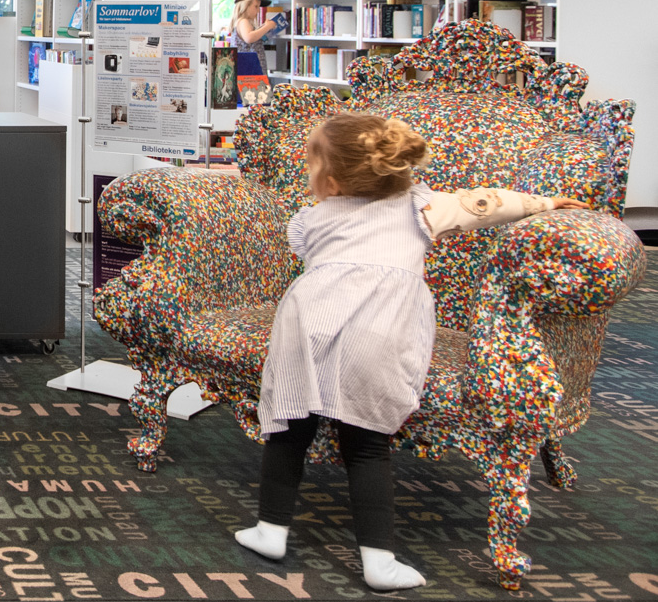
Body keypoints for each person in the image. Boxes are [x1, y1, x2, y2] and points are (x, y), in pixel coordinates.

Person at [234, 113, 588, 591]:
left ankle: (270, 530)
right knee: (367, 444)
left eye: (313, 166)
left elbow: (306, 250)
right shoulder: (422, 207)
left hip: (307, 325)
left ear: (331, 182)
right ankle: (379, 562)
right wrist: (545, 203)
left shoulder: (311, 217)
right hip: (381, 331)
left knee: (288, 430)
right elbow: (487, 204)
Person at [225, 0, 276, 78]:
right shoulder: (243, 21)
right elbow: (249, 37)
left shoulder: (242, 22)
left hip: (250, 69)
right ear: (245, 6)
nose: (258, 11)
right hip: (249, 72)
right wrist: (267, 27)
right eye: (256, 6)